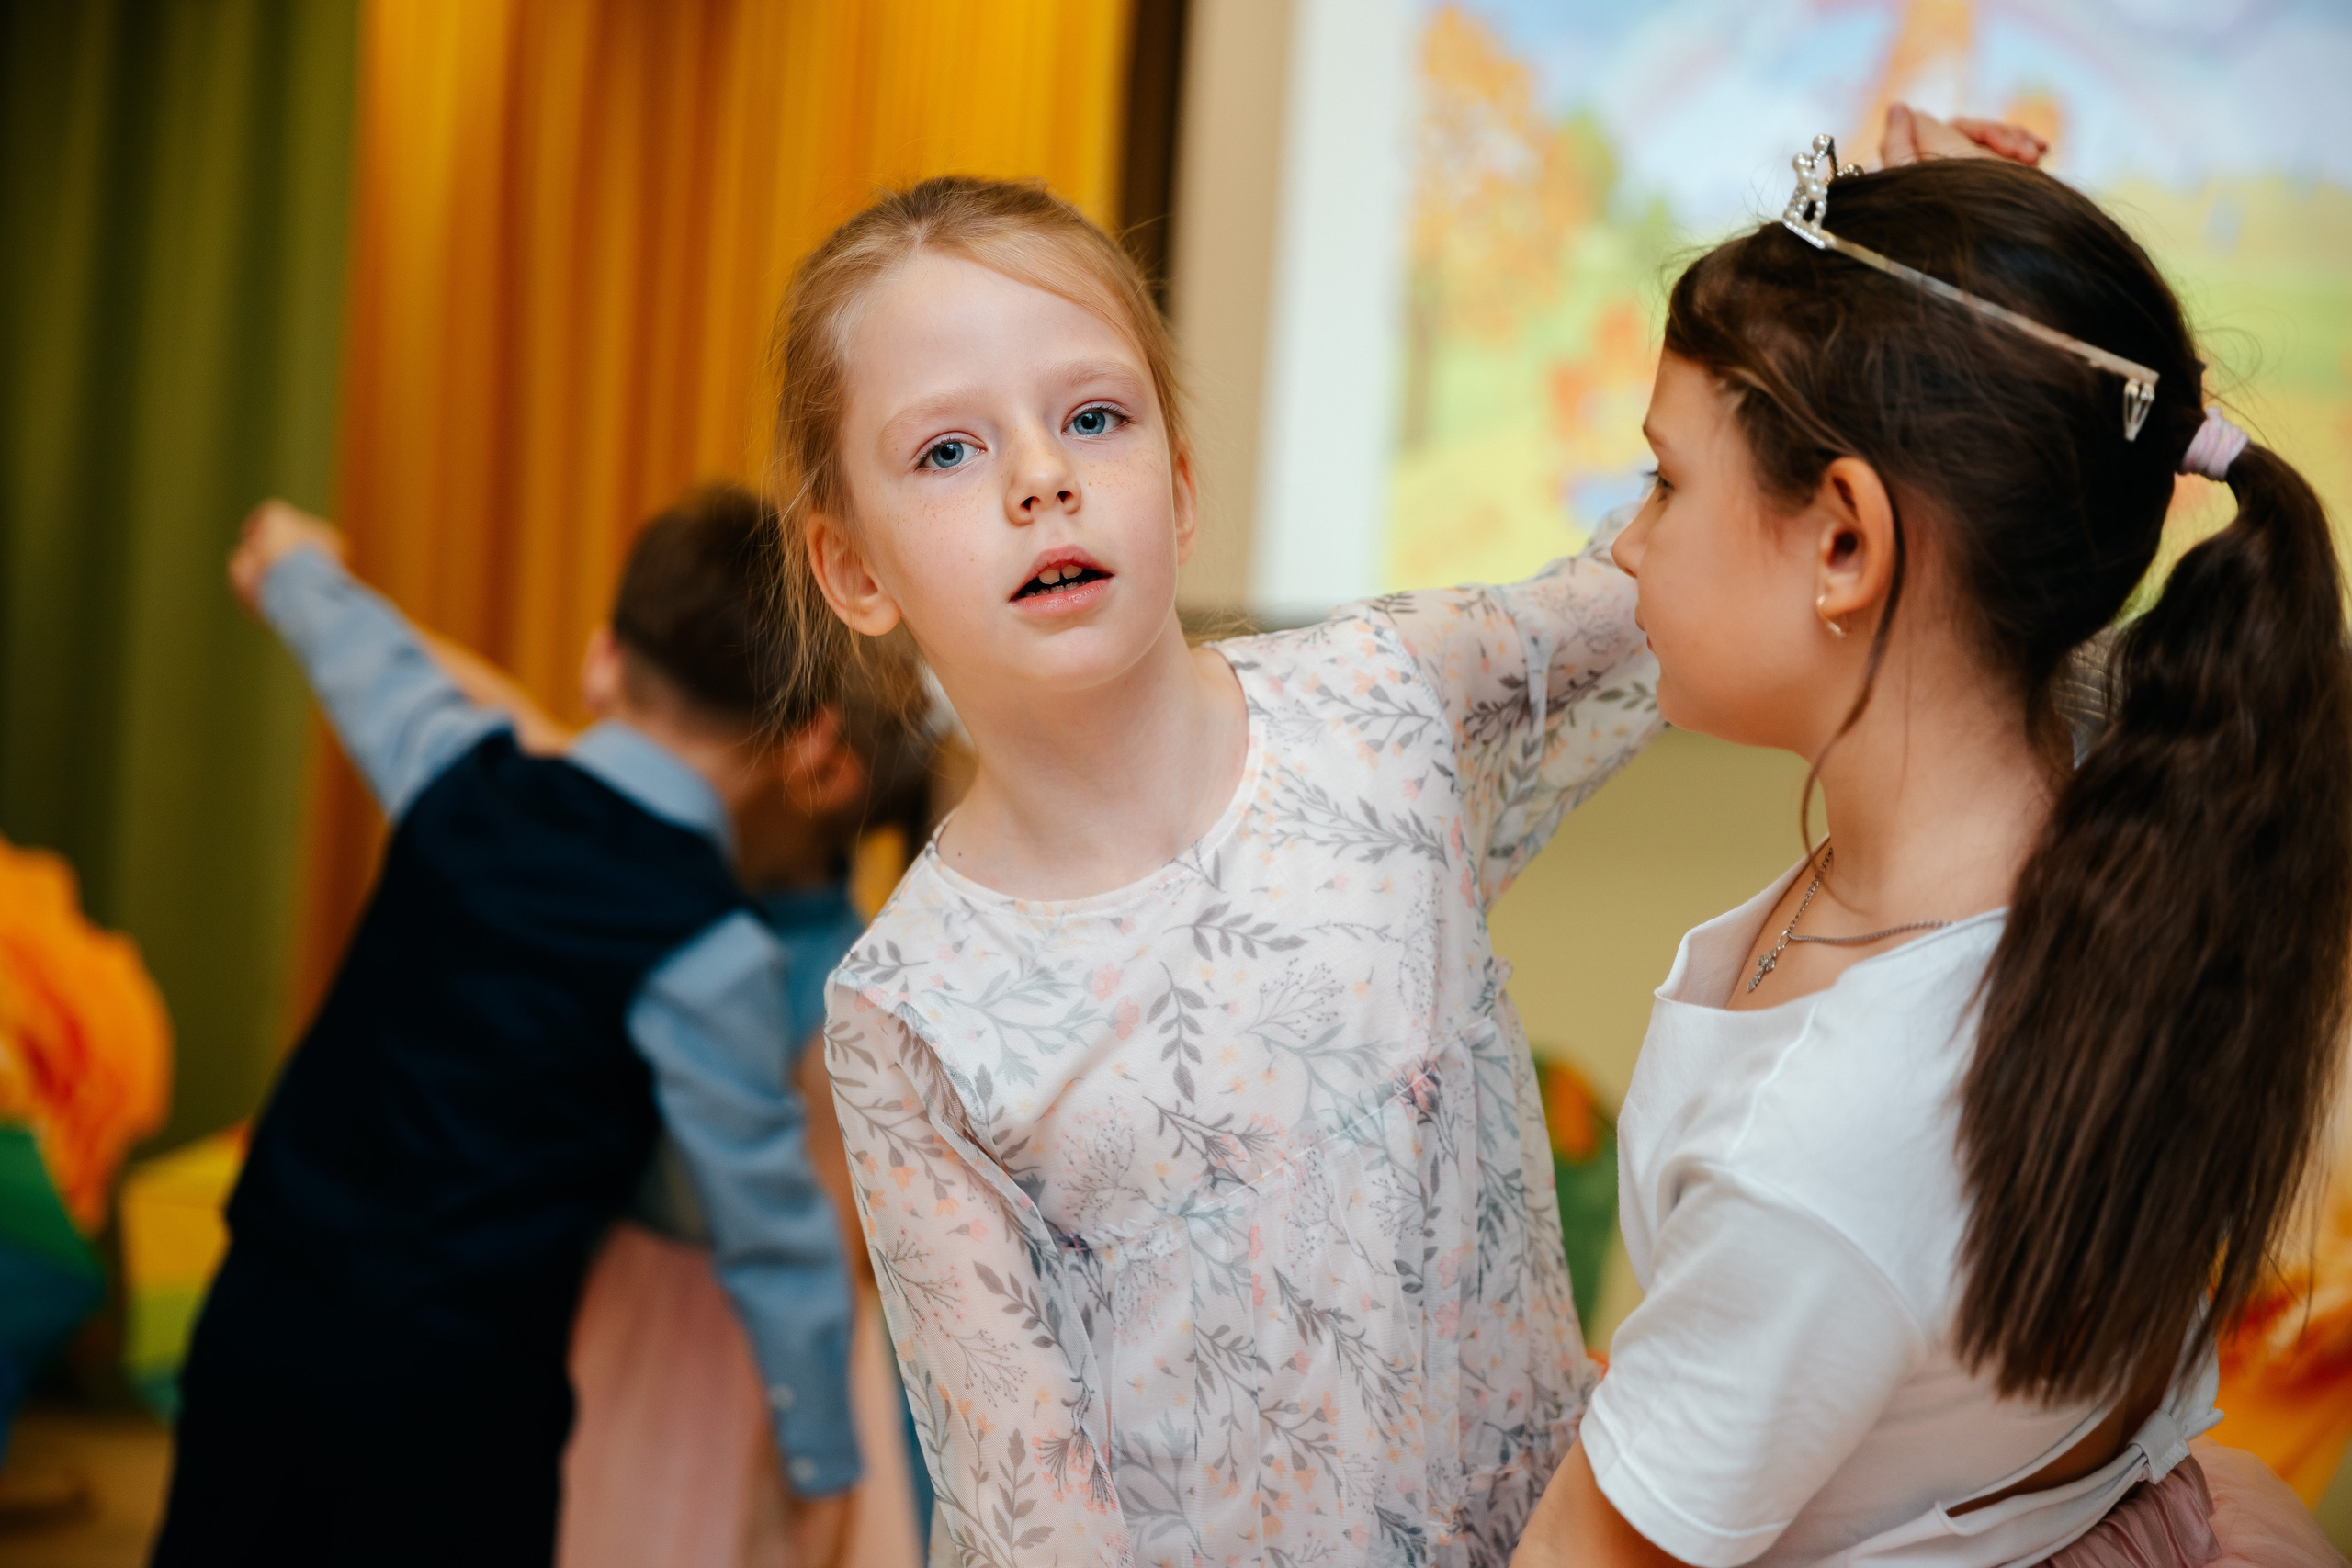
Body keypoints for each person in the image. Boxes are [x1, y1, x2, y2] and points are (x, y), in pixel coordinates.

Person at [776, 110, 2044, 1568]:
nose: (1039, 480)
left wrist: (1898, 296)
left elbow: (1687, 570)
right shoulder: (912, 1009)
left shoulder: (1383, 697)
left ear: (1182, 484)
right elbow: (1025, 1505)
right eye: (947, 448)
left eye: (1095, 417)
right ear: (853, 565)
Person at [1512, 147, 2351, 1568]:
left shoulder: (1825, 1147)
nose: (1625, 544)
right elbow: (2010, 488)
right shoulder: (2124, 791)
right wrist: (1927, 259)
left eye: (1660, 482)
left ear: (1844, 540)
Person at [153, 487, 884, 1567]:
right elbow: (777, 1241)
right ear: (803, 741)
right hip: (460, 1408)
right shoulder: (714, 955)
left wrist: (291, 561)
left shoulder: (457, 769)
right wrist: (821, 1464)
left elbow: (368, 660)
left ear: (599, 663)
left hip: (267, 1319)